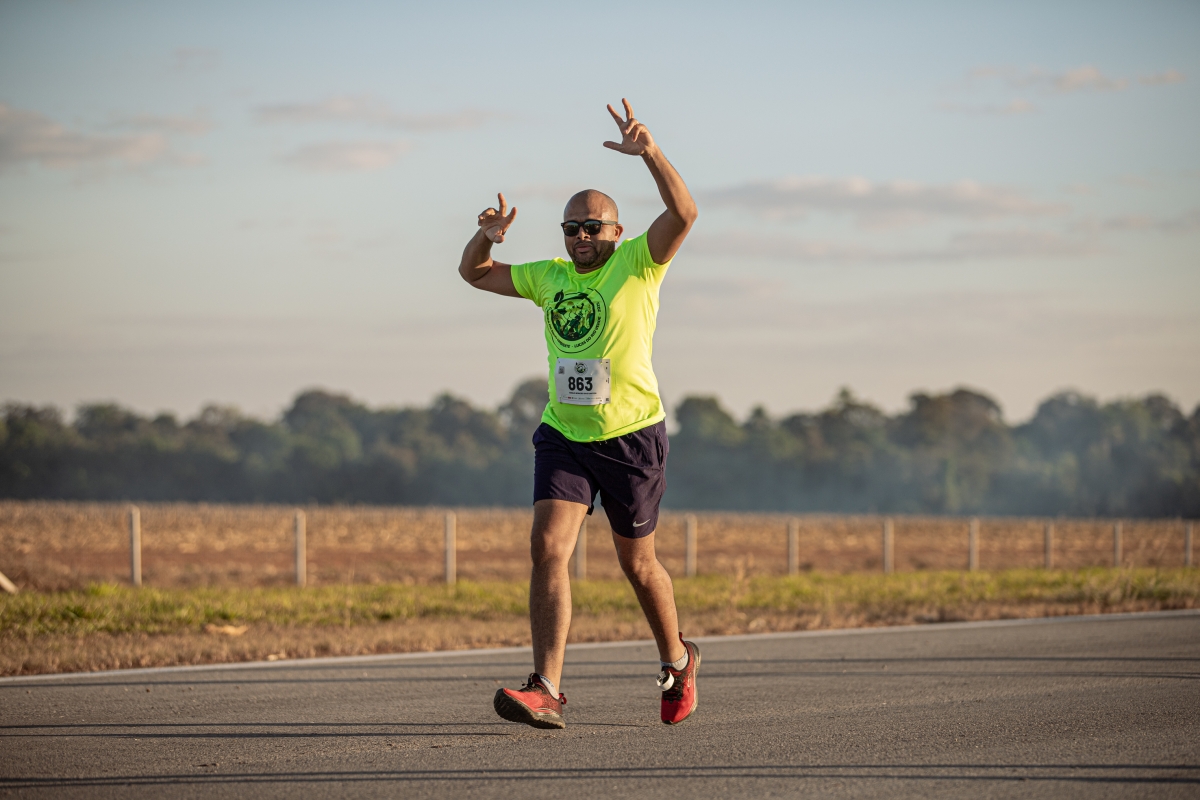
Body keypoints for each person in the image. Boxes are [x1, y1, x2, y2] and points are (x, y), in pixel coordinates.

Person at [458, 99, 700, 728]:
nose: (582, 237)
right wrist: (487, 236)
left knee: (637, 565)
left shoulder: (639, 264)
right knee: (547, 548)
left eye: (593, 227)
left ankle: (678, 661)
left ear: (616, 232)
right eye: (572, 228)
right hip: (565, 434)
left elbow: (684, 213)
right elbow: (475, 274)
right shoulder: (549, 277)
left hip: (631, 437)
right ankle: (546, 688)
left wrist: (650, 153)